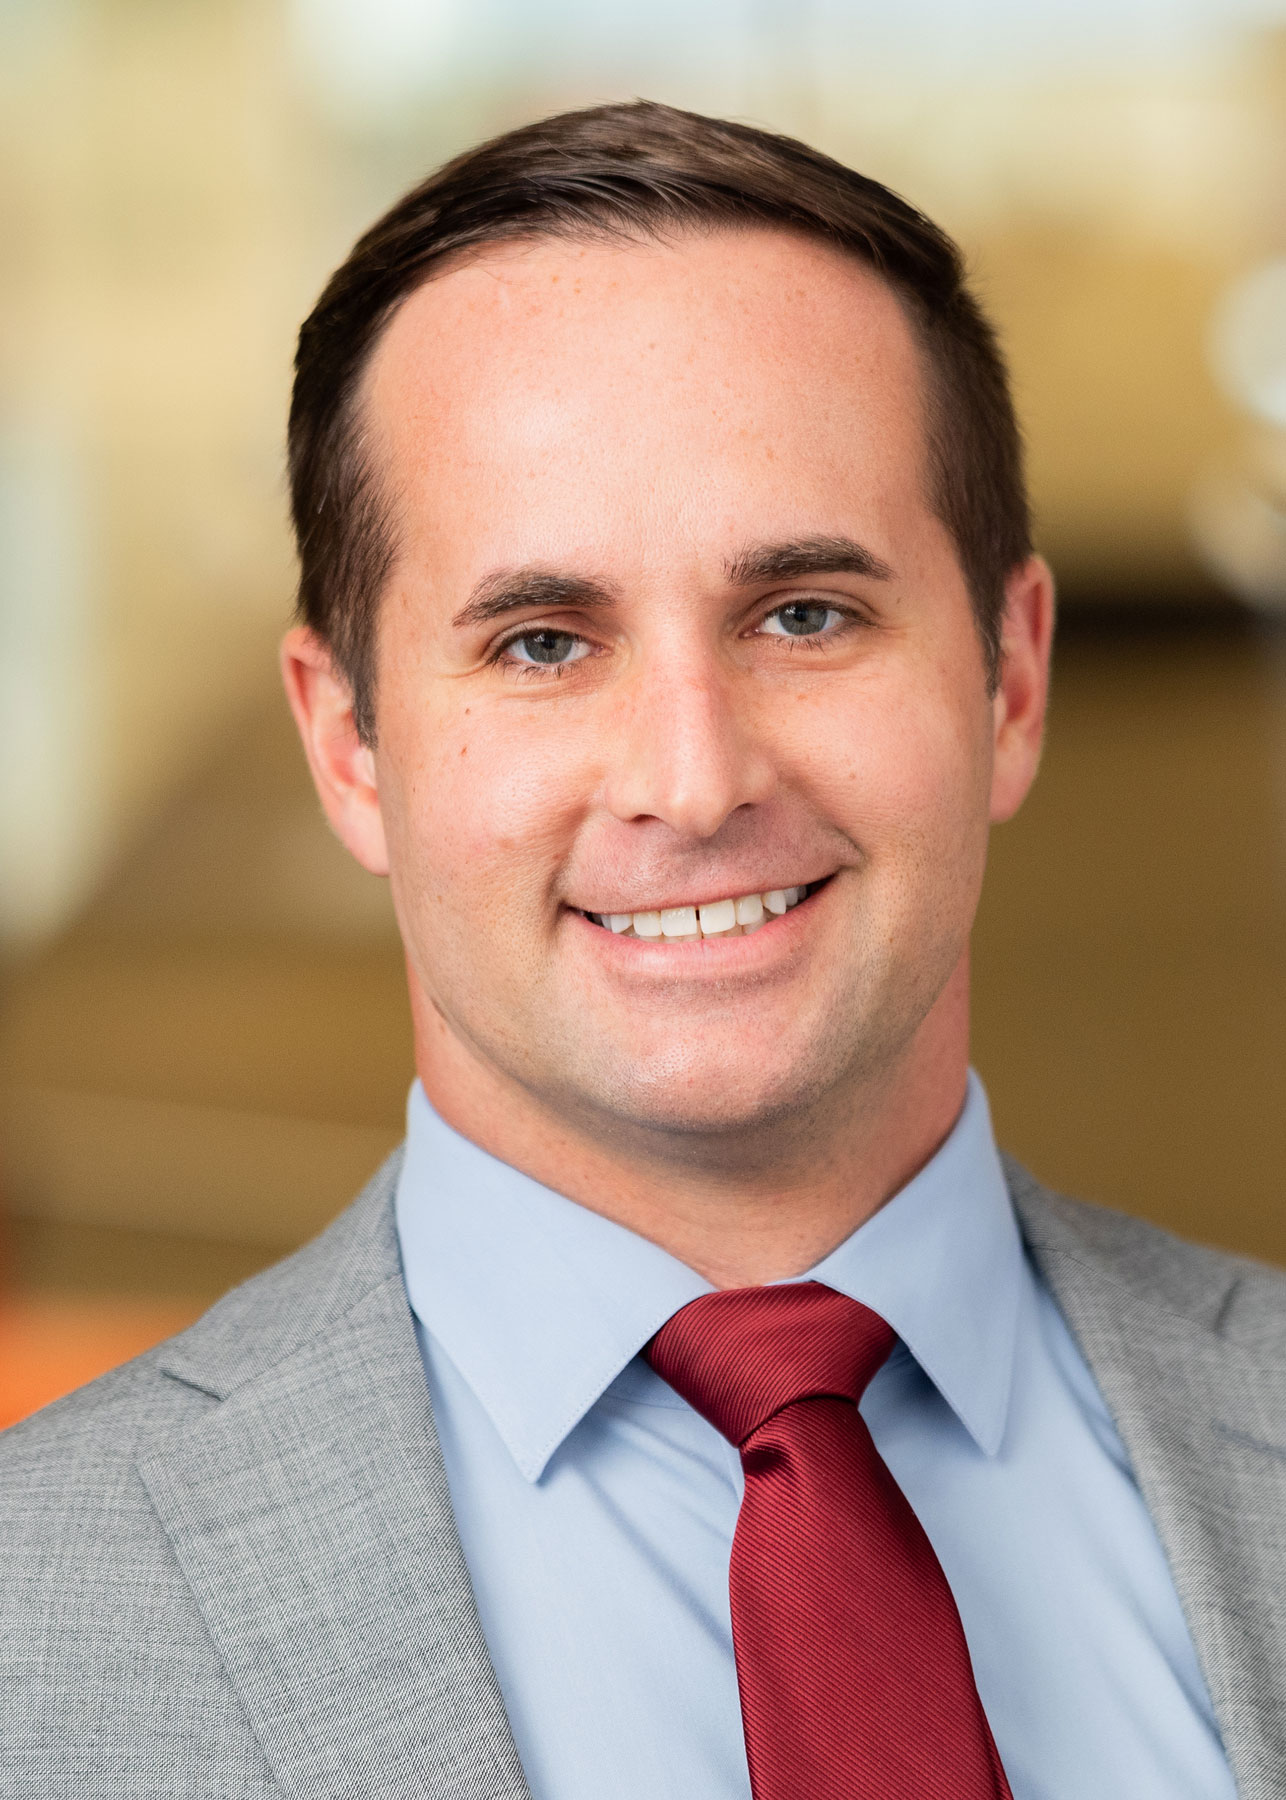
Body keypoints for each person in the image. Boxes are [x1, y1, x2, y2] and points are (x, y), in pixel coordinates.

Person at [1, 99, 1280, 1800]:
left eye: (804, 615)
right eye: (542, 642)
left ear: (1010, 679)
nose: (692, 779)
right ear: (348, 744)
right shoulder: (35, 1620)